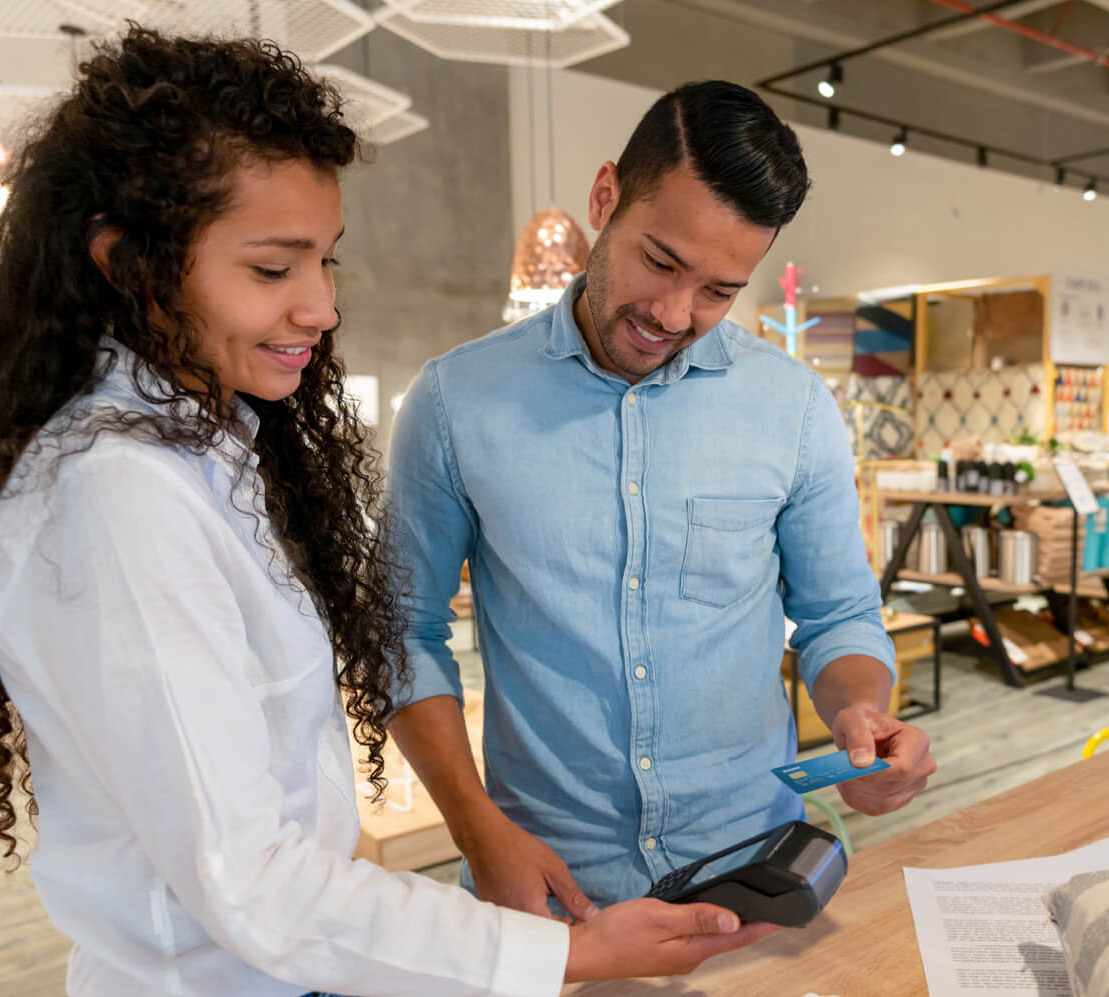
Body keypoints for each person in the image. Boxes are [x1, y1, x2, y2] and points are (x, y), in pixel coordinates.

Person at [0, 34, 773, 997]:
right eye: (272, 268)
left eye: (325, 259)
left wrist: (343, 959)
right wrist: (575, 953)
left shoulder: (204, 449)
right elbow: (248, 882)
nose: (319, 305)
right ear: (129, 261)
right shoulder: (115, 495)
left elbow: (264, 791)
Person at [387, 81, 937, 919]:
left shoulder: (792, 408)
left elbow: (839, 617)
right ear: (606, 196)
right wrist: (476, 830)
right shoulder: (457, 401)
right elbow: (403, 630)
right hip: (547, 891)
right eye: (660, 261)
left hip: (756, 872)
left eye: (719, 291)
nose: (675, 313)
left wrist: (863, 717)